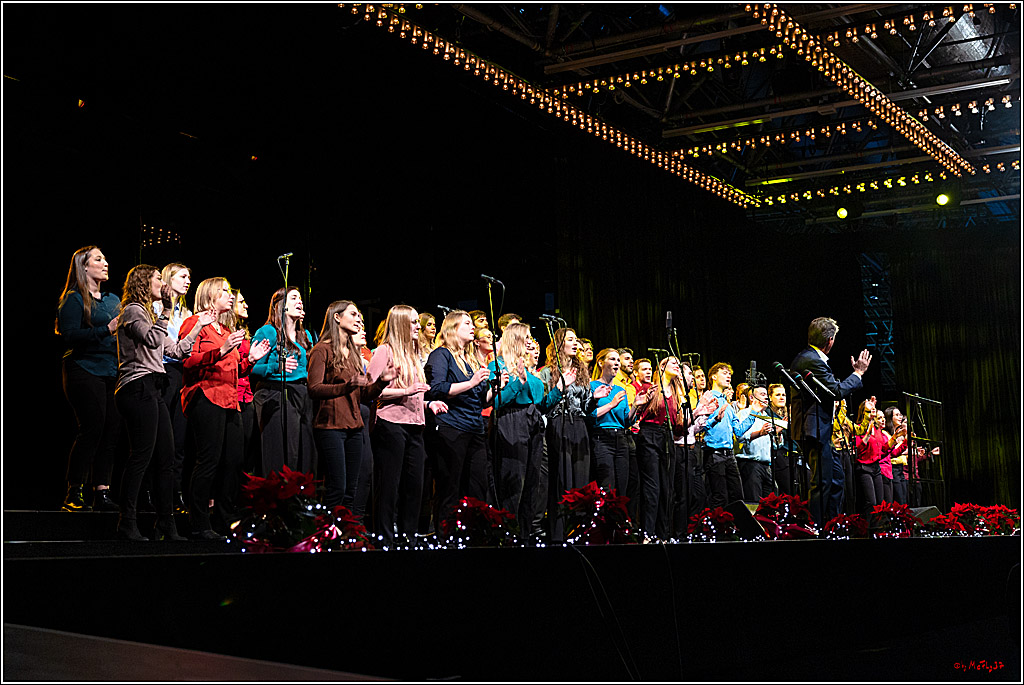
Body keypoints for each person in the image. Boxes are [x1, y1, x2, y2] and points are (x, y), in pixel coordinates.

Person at [114, 265, 215, 540]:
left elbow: (175, 350)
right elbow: (150, 339)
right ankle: (127, 521)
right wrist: (167, 312)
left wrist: (197, 329)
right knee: (141, 456)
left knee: (166, 457)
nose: (162, 282)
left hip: (153, 388)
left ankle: (165, 524)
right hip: (137, 385)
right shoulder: (133, 309)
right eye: (158, 278)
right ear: (145, 282)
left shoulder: (151, 314)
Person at [180, 278, 270, 539]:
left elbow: (234, 369)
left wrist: (250, 360)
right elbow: (187, 361)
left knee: (233, 462)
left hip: (231, 400)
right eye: (225, 292)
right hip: (206, 396)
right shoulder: (196, 323)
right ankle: (199, 523)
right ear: (210, 296)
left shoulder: (225, 328)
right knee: (209, 460)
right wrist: (221, 350)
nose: (230, 297)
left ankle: (224, 519)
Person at [308, 301, 396, 510]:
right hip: (330, 427)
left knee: (351, 490)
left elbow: (363, 395)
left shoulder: (354, 352)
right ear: (337, 317)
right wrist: (346, 386)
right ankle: (328, 536)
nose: (359, 319)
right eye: (353, 314)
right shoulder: (322, 350)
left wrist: (382, 382)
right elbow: (314, 389)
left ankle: (345, 535)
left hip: (355, 427)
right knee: (337, 487)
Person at [56, 246, 121, 512]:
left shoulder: (112, 298)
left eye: (105, 258)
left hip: (111, 371)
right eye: (98, 259)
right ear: (84, 266)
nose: (105, 263)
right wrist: (106, 330)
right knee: (93, 426)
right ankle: (74, 490)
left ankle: (102, 492)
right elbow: (69, 336)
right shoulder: (73, 298)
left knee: (111, 430)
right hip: (84, 368)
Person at [791, 316, 872, 524]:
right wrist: (858, 373)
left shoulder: (810, 358)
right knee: (823, 482)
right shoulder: (811, 360)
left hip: (820, 430)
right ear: (830, 340)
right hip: (814, 429)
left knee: (836, 479)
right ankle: (817, 528)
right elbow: (836, 391)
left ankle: (831, 523)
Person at [369, 305, 434, 544]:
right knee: (389, 485)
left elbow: (416, 394)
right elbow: (370, 390)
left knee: (414, 485)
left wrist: (429, 404)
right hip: (391, 424)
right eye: (414, 322)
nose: (419, 326)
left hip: (415, 426)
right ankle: (385, 539)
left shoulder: (413, 353)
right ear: (400, 325)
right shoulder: (384, 352)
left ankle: (409, 538)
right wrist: (405, 391)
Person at [537, 327, 610, 541]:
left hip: (579, 427)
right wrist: (560, 387)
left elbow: (586, 407)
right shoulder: (547, 372)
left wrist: (595, 398)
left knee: (580, 480)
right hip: (557, 425)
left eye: (576, 339)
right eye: (571, 339)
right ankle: (558, 535)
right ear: (560, 344)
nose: (576, 343)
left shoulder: (582, 372)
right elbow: (543, 405)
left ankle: (578, 533)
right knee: (561, 480)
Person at [425, 310, 493, 531]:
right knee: (449, 487)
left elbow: (481, 401)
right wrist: (472, 383)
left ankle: (472, 535)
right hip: (452, 427)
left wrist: (498, 388)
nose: (472, 327)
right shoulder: (441, 354)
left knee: (477, 486)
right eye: (467, 323)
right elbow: (437, 389)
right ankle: (445, 537)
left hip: (475, 429)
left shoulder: (470, 359)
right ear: (453, 328)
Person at [251, 287, 317, 476]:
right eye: (294, 298)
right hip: (276, 393)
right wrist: (275, 368)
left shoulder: (305, 336)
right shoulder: (269, 332)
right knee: (282, 452)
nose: (300, 302)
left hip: (303, 396)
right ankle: (277, 498)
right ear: (281, 305)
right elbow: (252, 367)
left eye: (301, 299)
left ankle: (300, 499)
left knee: (304, 452)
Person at [487, 322, 545, 529]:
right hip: (510, 420)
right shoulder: (498, 365)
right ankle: (507, 532)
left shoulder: (531, 370)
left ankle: (525, 533)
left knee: (532, 479)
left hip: (533, 421)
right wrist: (517, 383)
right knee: (513, 480)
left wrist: (557, 390)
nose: (530, 341)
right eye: (527, 337)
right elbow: (495, 402)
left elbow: (540, 402)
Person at [634, 357, 689, 537]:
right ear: (662, 366)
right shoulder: (650, 388)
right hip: (650, 435)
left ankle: (663, 535)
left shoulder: (677, 394)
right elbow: (638, 415)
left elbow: (679, 428)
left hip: (668, 437)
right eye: (673, 362)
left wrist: (697, 413)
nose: (677, 365)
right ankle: (648, 534)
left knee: (667, 489)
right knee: (652, 488)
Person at [155, 262, 193, 514]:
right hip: (160, 372)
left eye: (189, 276)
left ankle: (175, 493)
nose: (188, 280)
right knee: (159, 437)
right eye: (182, 276)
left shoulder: (188, 314)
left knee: (179, 438)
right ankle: (153, 491)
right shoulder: (156, 307)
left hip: (182, 373)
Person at [699, 363, 758, 510]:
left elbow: (738, 431)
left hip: (729, 455)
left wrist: (752, 413)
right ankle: (718, 530)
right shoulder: (708, 398)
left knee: (737, 496)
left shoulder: (727, 404)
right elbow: (700, 426)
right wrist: (715, 419)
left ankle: (735, 530)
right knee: (720, 496)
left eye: (729, 373)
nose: (728, 376)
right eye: (724, 373)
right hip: (714, 454)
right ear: (713, 376)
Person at [588, 349, 644, 497]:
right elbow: (590, 415)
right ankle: (604, 519)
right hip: (602, 438)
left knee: (622, 488)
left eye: (618, 360)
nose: (617, 363)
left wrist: (636, 406)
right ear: (601, 363)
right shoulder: (592, 386)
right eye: (612, 359)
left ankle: (620, 519)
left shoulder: (620, 390)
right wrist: (611, 405)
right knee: (607, 486)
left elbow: (626, 422)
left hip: (621, 439)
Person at [231, 289, 261, 476]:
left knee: (248, 447)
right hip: (232, 396)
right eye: (241, 302)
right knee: (234, 449)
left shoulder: (245, 332)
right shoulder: (226, 333)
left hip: (247, 395)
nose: (246, 305)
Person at [734, 386, 781, 501]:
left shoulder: (768, 417)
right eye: (762, 394)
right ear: (752, 397)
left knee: (772, 502)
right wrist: (760, 433)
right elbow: (740, 437)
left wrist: (777, 435)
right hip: (750, 464)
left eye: (766, 395)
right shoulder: (743, 414)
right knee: (754, 501)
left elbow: (773, 445)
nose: (766, 397)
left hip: (767, 465)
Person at [852, 396, 885, 516]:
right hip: (864, 467)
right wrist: (867, 433)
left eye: (874, 409)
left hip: (876, 467)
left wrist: (896, 438)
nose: (873, 410)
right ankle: (867, 530)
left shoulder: (877, 430)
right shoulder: (859, 428)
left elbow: (883, 450)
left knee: (880, 503)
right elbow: (858, 450)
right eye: (870, 409)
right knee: (871, 502)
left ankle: (879, 529)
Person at [884, 406, 910, 503]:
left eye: (900, 415)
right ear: (890, 418)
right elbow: (892, 452)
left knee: (904, 499)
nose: (900, 417)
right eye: (897, 415)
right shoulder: (886, 434)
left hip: (900, 468)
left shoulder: (899, 434)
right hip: (892, 468)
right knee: (898, 499)